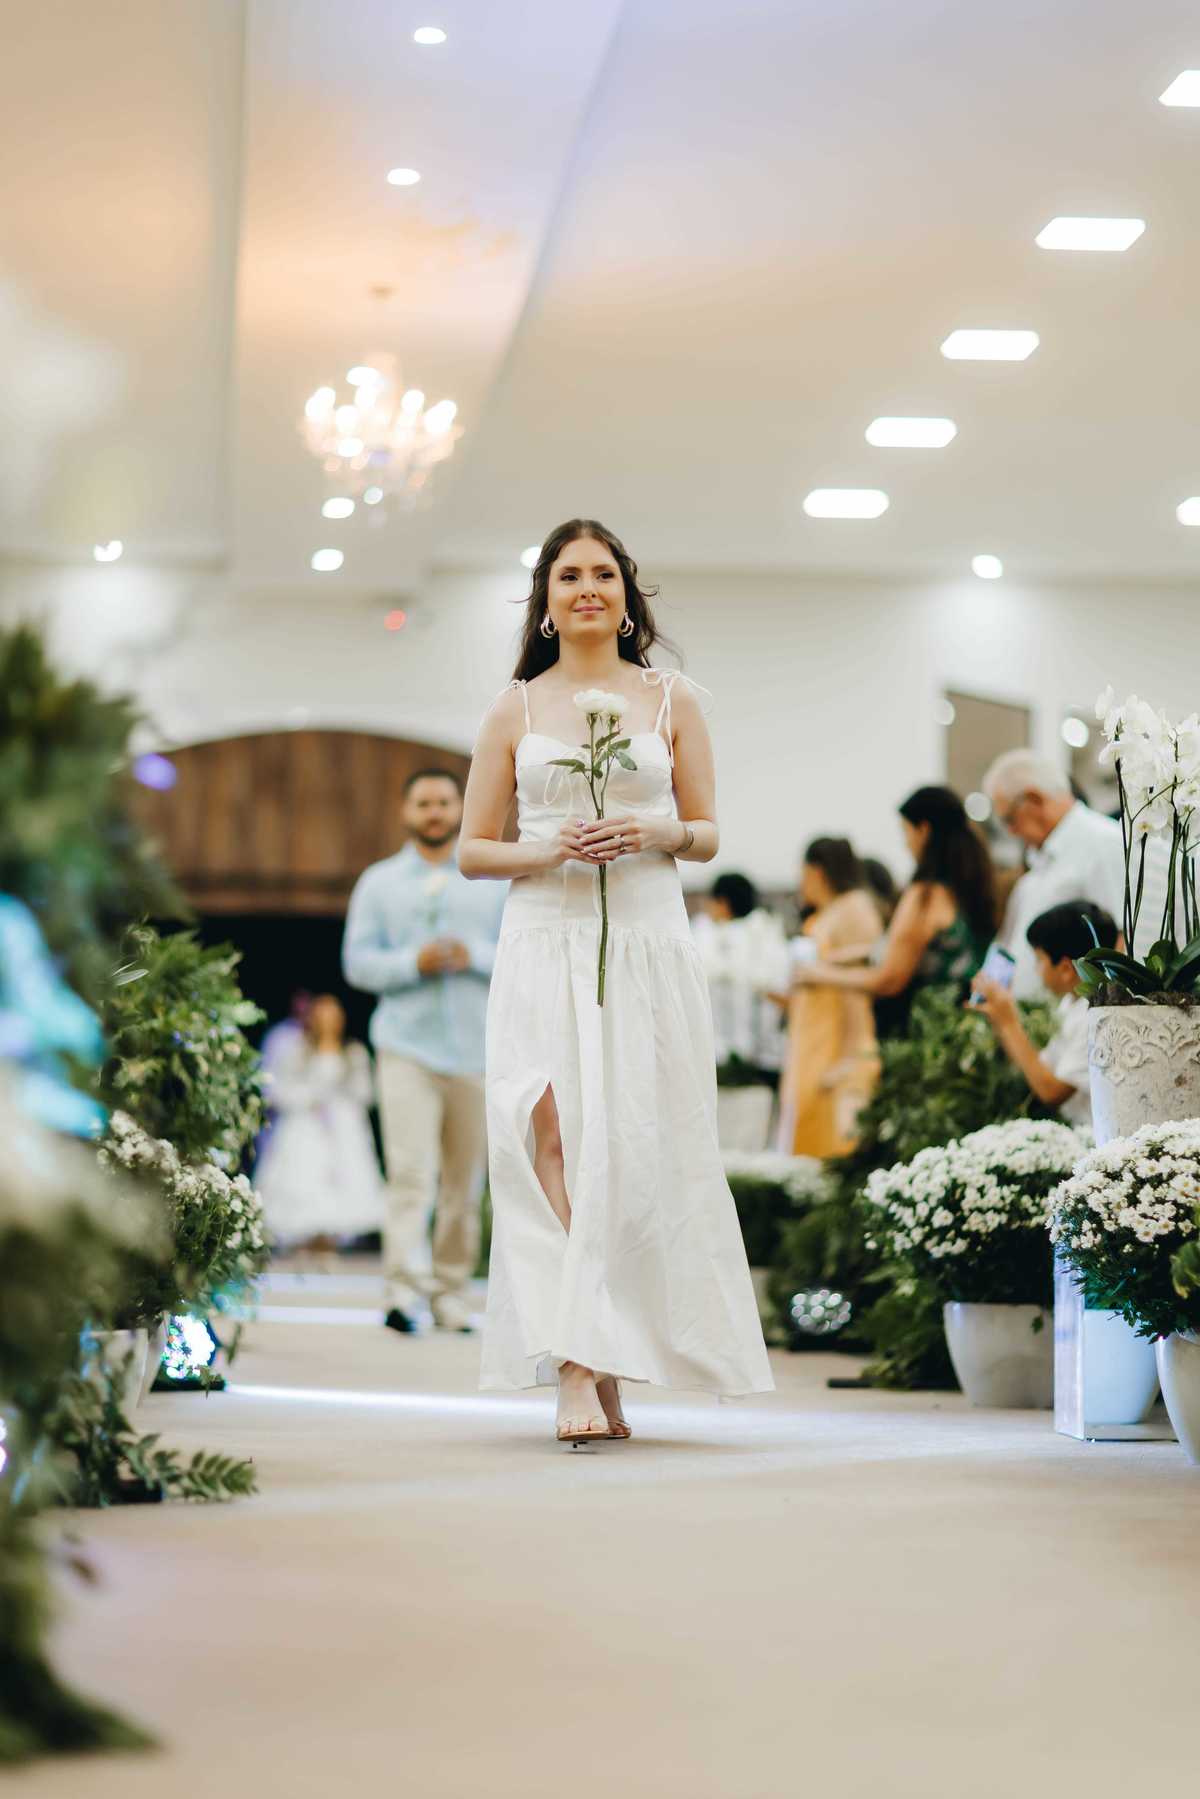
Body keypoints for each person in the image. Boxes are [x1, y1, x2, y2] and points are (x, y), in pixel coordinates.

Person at [460, 517, 773, 1445]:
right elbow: (474, 849)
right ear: (546, 604)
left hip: (643, 940)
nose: (587, 588)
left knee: (633, 1143)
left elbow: (707, 831)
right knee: (551, 1136)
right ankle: (574, 1362)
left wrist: (656, 830)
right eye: (569, 576)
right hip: (543, 938)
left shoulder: (673, 698)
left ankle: (611, 1350)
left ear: (627, 597)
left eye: (603, 573)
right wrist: (544, 847)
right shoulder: (514, 709)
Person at [343, 769, 507, 1335]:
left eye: (443, 802)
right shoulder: (378, 883)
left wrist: (474, 955)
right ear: (406, 812)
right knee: (410, 1174)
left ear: (460, 807)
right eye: (423, 803)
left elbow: (521, 951)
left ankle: (451, 1295)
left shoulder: (491, 878)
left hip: (477, 1051)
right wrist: (412, 963)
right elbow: (357, 964)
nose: (434, 812)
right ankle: (400, 1293)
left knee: (465, 1183)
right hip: (405, 1048)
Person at [792, 786, 996, 1030]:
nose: (905, 844)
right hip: (964, 1028)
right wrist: (848, 956)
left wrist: (819, 974)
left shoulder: (925, 896)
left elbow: (889, 980)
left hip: (926, 1032)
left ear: (924, 830)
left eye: (905, 832)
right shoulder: (970, 887)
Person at [982, 751, 1125, 1000]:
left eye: (1009, 819)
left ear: (1033, 800)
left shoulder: (1103, 844)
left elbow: (1121, 945)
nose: (1011, 831)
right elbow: (1007, 946)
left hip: (1073, 1020)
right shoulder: (1038, 865)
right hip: (1032, 1019)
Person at [969, 900, 1118, 1127]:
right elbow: (1040, 1068)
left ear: (1066, 969)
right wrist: (999, 1019)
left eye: (1039, 960)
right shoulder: (1071, 1002)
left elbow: (1052, 1092)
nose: (1036, 970)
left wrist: (1009, 1023)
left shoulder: (1095, 1017)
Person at [778, 838, 882, 1158]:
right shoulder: (829, 912)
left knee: (835, 1147)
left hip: (839, 1046)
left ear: (817, 871)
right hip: (815, 1041)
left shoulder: (853, 908)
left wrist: (848, 1058)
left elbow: (861, 987)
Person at [254, 994, 382, 1249]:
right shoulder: (298, 1051)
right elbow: (278, 1091)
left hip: (343, 1127)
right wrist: (310, 1097)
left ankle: (334, 1238)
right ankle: (305, 1238)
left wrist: (340, 1098)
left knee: (346, 1178)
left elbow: (366, 1093)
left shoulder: (353, 1052)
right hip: (306, 1124)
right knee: (303, 1177)